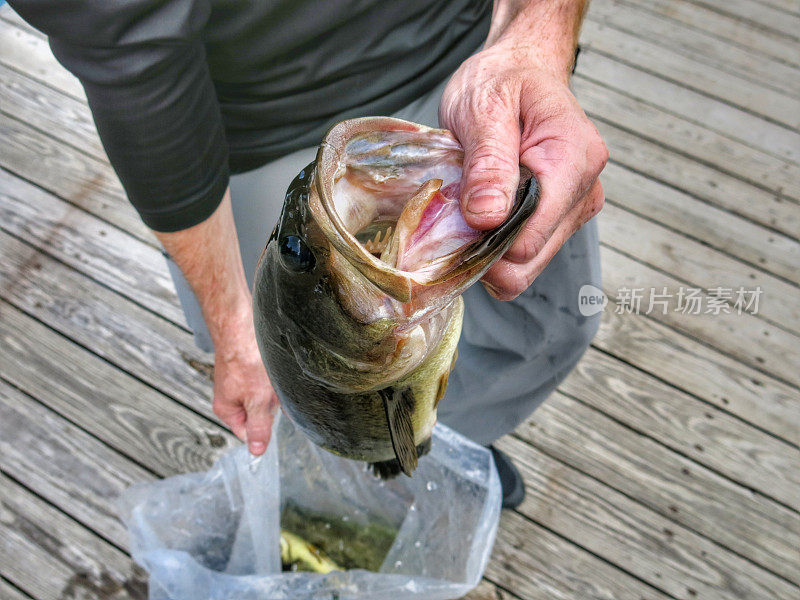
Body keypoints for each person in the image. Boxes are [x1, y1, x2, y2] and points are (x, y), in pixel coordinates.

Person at [10, 0, 607, 508]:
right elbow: (129, 56)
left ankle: (448, 449)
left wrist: (536, 42)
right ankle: (381, 469)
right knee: (296, 384)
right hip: (263, 125)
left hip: (479, 60)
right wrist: (233, 328)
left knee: (548, 324)